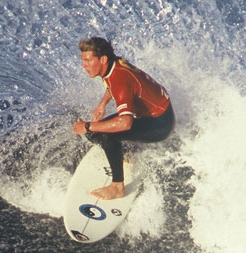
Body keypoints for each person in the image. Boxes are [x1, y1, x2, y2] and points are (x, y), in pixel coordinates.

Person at [72, 37, 175, 200]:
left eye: (88, 60)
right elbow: (113, 85)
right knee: (95, 132)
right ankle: (127, 153)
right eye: (83, 60)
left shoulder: (120, 79)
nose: (84, 65)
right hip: (149, 111)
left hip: (161, 122)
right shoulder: (114, 64)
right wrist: (103, 103)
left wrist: (86, 126)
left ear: (103, 59)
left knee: (104, 134)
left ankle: (117, 187)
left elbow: (125, 122)